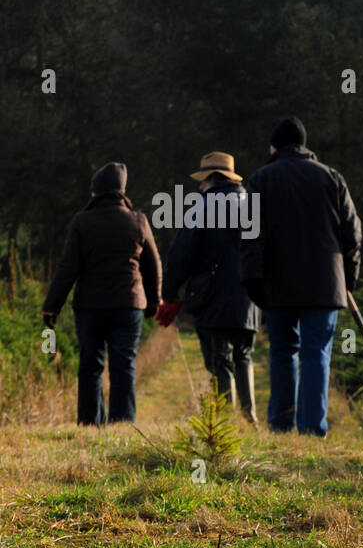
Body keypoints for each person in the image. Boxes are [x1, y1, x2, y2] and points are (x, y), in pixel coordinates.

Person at [240, 117, 361, 437]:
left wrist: (253, 281)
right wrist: (349, 279)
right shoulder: (333, 178)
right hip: (325, 284)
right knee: (316, 353)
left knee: (282, 351)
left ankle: (281, 425)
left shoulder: (260, 180)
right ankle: (312, 428)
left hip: (278, 285)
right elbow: (352, 235)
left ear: (274, 146)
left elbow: (250, 236)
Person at [42, 162, 161, 425]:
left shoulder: (82, 221)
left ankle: (89, 423)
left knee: (90, 366)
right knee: (124, 366)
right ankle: (122, 424)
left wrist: (52, 306)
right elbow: (153, 265)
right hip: (128, 306)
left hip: (90, 307)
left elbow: (67, 268)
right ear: (122, 191)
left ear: (95, 191)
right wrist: (154, 301)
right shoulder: (138, 220)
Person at [157, 152, 261, 423]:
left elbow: (180, 256)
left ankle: (226, 424)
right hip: (250, 298)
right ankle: (250, 419)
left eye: (203, 180)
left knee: (220, 360)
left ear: (214, 179)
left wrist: (169, 294)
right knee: (244, 355)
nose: (200, 186)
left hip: (213, 297)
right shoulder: (253, 205)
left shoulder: (201, 208)